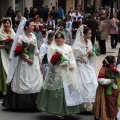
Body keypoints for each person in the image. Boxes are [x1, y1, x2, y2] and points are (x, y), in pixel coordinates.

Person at [36, 32, 83, 116]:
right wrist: (61, 64)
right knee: (58, 92)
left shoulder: (68, 47)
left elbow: (72, 58)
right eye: (57, 38)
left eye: (61, 38)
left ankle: (70, 110)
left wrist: (72, 64)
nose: (59, 39)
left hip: (68, 73)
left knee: (69, 90)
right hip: (57, 74)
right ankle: (58, 111)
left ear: (64, 39)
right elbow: (51, 63)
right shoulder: (52, 48)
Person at [2, 19, 43, 110]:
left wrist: (39, 62)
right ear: (26, 27)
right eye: (32, 25)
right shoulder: (21, 37)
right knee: (23, 79)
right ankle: (21, 104)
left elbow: (36, 50)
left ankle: (35, 104)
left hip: (34, 62)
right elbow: (18, 52)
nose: (34, 27)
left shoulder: (33, 36)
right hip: (24, 62)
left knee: (35, 81)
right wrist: (27, 59)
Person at [72, 25, 98, 112]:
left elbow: (91, 53)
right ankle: (81, 106)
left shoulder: (89, 42)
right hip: (80, 66)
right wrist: (86, 53)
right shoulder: (77, 45)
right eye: (89, 33)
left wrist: (91, 54)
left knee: (92, 83)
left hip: (88, 66)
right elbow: (75, 56)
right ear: (84, 34)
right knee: (83, 84)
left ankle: (90, 105)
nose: (91, 35)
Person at [94, 55, 119, 120]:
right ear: (110, 64)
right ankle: (107, 117)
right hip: (104, 91)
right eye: (114, 62)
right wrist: (111, 80)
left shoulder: (111, 69)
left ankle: (113, 116)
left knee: (112, 104)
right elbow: (100, 80)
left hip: (112, 90)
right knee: (106, 105)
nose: (115, 63)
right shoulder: (103, 70)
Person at [0, 18, 15, 96]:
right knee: (3, 71)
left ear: (10, 24)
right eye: (5, 23)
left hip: (10, 55)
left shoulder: (13, 32)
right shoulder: (0, 33)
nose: (6, 24)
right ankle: (3, 90)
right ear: (3, 24)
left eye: (8, 23)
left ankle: (11, 90)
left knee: (11, 71)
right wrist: (3, 46)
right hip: (2, 54)